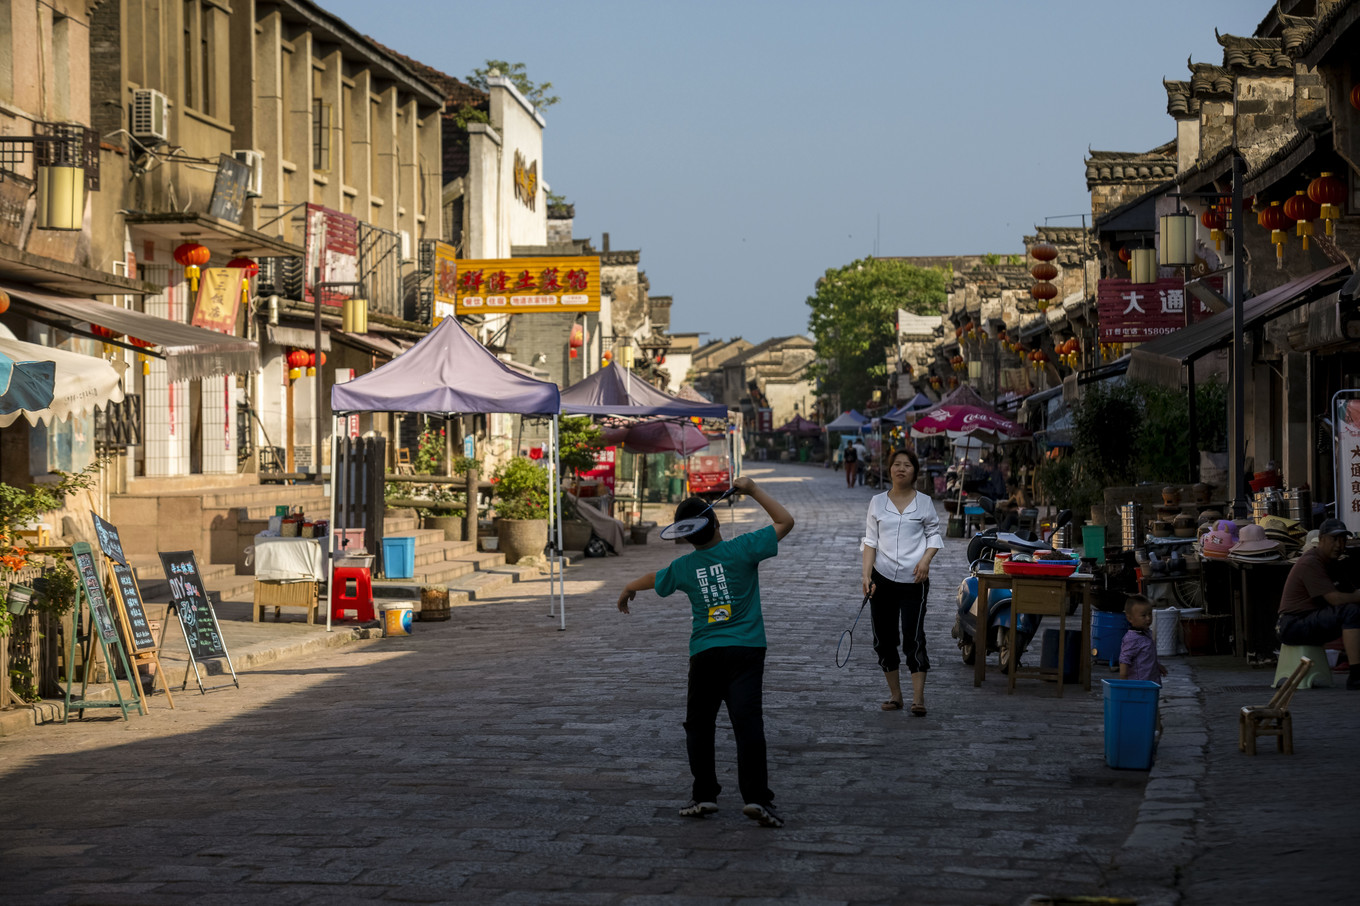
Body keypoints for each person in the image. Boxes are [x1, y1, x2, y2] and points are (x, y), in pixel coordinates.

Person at [616, 474, 795, 827]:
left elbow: (656, 577)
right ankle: (757, 798)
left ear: (685, 535)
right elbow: (785, 521)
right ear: (714, 523)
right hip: (746, 651)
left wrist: (627, 587)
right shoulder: (743, 549)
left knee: (699, 726)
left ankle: (704, 796)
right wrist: (754, 490)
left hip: (705, 655)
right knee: (748, 726)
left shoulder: (684, 567)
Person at [860, 447, 942, 715]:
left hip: (914, 580)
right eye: (896, 464)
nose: (901, 468)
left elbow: (933, 535)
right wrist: (866, 575)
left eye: (907, 465)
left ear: (914, 471)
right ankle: (896, 695)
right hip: (881, 579)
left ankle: (919, 699)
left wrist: (926, 560)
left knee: (913, 637)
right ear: (890, 470)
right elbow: (870, 541)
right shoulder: (877, 502)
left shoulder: (925, 502)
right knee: (883, 638)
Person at [1277, 518, 1360, 690]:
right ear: (1321, 540)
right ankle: (1356, 675)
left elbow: (1349, 592)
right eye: (1334, 539)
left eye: (1343, 540)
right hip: (1292, 624)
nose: (1339, 545)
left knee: (1354, 610)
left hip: (1310, 619)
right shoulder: (1311, 562)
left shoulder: (1334, 564)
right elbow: (1335, 599)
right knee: (1351, 611)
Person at [1119, 595, 1167, 683]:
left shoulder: (1146, 633)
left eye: (1150, 614)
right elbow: (1124, 661)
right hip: (1139, 685)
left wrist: (1157, 666)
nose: (1148, 618)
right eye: (1143, 615)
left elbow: (1148, 656)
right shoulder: (1131, 639)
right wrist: (1124, 683)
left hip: (1151, 682)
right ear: (1130, 618)